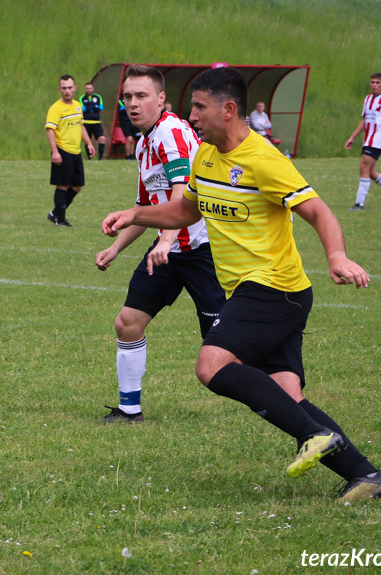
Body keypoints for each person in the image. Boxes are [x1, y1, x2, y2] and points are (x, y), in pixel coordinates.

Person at [102, 67, 381, 501]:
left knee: (211, 364)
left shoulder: (264, 159)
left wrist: (336, 256)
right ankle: (366, 476)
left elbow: (318, 212)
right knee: (286, 395)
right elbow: (186, 212)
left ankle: (315, 435)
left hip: (276, 288)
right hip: (253, 290)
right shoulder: (206, 156)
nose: (192, 115)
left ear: (229, 109)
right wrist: (135, 214)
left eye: (200, 107)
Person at [96, 64, 225, 423]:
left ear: (161, 98)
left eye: (141, 96)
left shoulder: (171, 133)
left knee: (223, 352)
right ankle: (129, 409)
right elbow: (146, 209)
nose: (133, 104)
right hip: (167, 252)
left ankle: (284, 392)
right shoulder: (144, 143)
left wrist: (166, 240)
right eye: (127, 97)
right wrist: (116, 248)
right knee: (127, 323)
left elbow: (184, 198)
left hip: (205, 252)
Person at [344, 73, 381, 211]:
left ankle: (359, 204)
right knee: (370, 172)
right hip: (368, 139)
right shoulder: (368, 98)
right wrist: (352, 137)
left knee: (363, 166)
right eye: (372, 82)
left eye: (378, 82)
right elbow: (364, 120)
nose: (374, 85)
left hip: (378, 139)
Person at [45, 74, 95, 227]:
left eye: (69, 88)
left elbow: (80, 126)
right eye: (64, 88)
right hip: (63, 151)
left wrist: (88, 143)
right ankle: (60, 219)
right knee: (62, 185)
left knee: (77, 186)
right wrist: (55, 151)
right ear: (59, 89)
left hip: (76, 152)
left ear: (75, 88)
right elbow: (50, 130)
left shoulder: (77, 105)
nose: (67, 91)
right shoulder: (55, 108)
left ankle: (55, 213)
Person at [81, 82, 106, 161]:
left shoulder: (98, 97)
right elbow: (83, 109)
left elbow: (101, 107)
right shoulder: (82, 98)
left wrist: (89, 106)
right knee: (87, 140)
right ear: (85, 89)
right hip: (86, 122)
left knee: (102, 138)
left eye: (90, 88)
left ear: (93, 89)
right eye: (87, 88)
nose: (88, 90)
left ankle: (101, 157)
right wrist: (94, 106)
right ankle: (89, 157)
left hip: (96, 122)